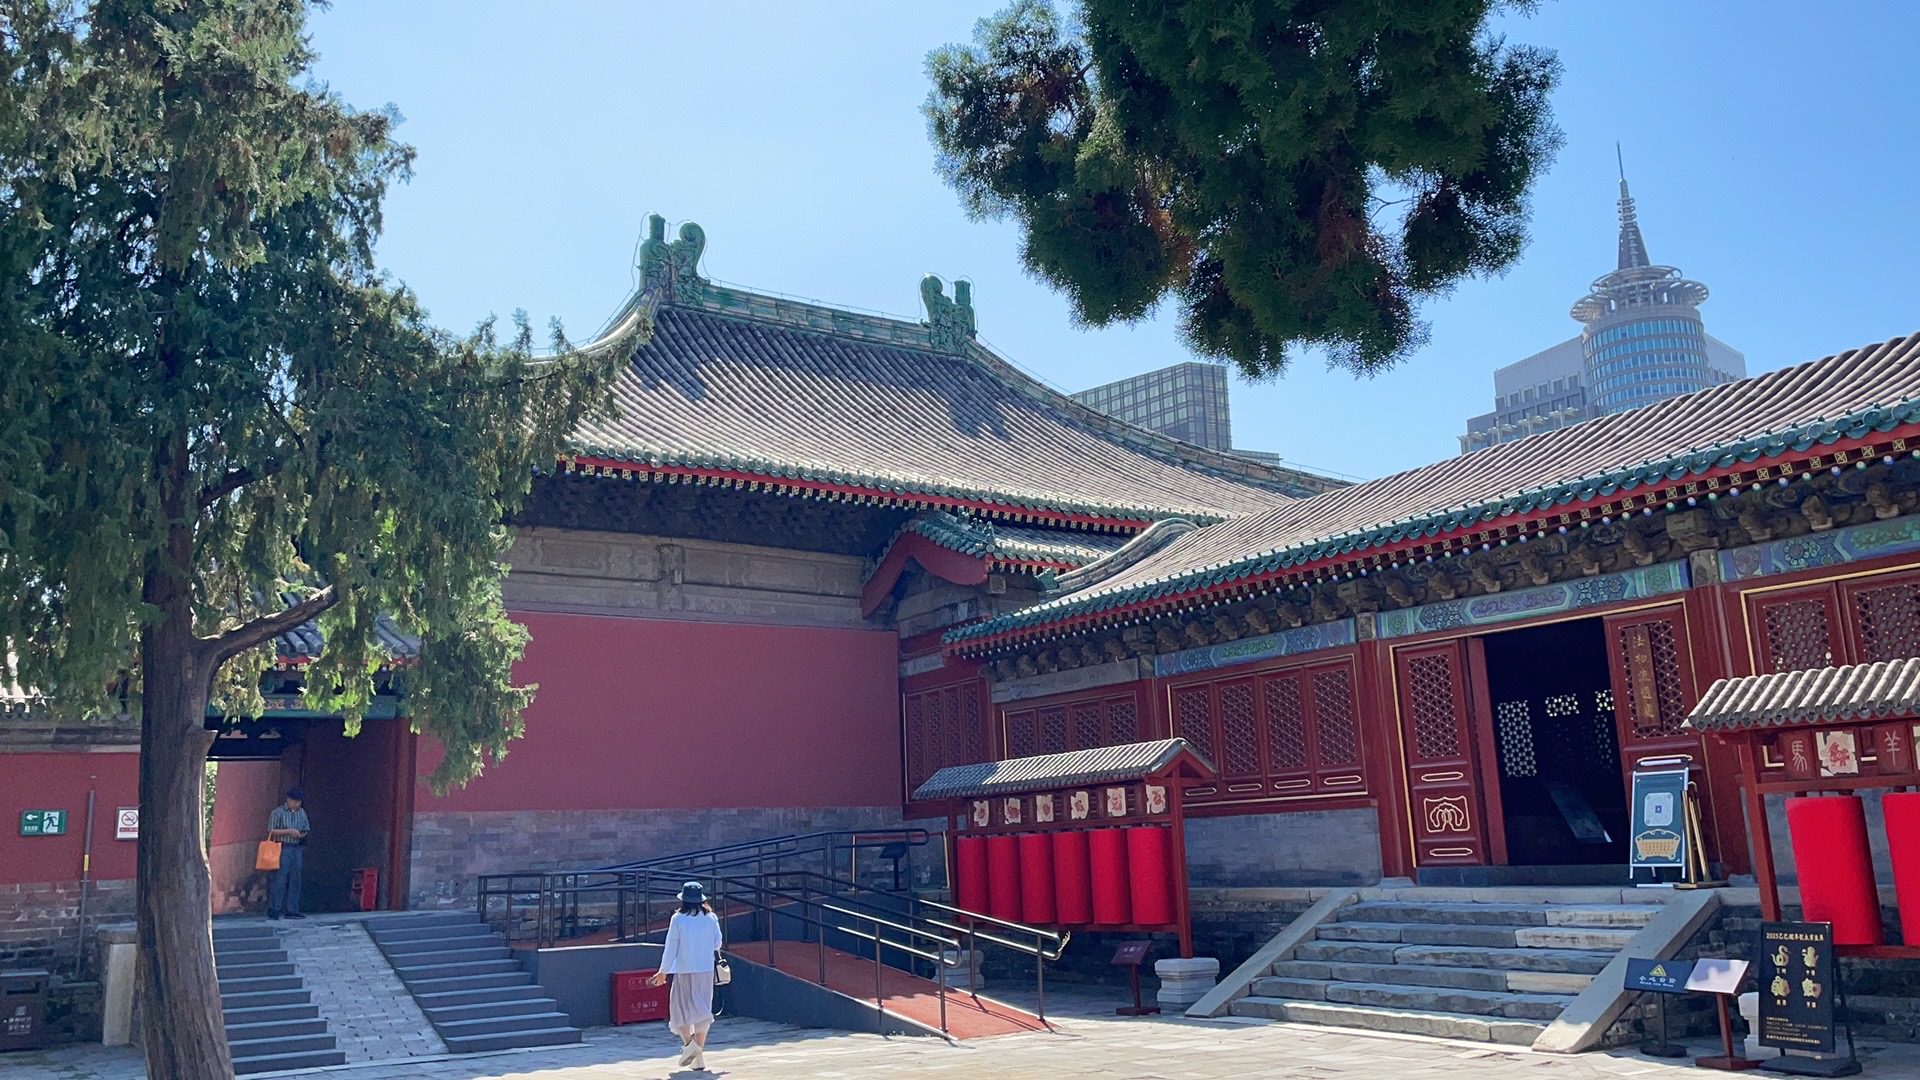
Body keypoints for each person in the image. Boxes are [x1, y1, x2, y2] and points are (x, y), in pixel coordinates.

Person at [649, 881, 722, 1070]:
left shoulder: (678, 919)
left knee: (679, 1010)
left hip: (685, 969)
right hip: (706, 969)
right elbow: (717, 943)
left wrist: (663, 971)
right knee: (702, 1010)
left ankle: (690, 1046)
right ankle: (698, 1057)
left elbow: (671, 947)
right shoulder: (711, 918)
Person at [265, 788, 309, 920]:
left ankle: (292, 909)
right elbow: (271, 831)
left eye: (299, 802)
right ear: (289, 800)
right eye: (295, 801)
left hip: (296, 847)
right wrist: (289, 831)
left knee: (296, 878)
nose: (297, 804)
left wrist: (301, 834)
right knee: (280, 878)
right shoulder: (277, 812)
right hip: (282, 847)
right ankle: (275, 908)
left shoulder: (301, 812)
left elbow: (306, 828)